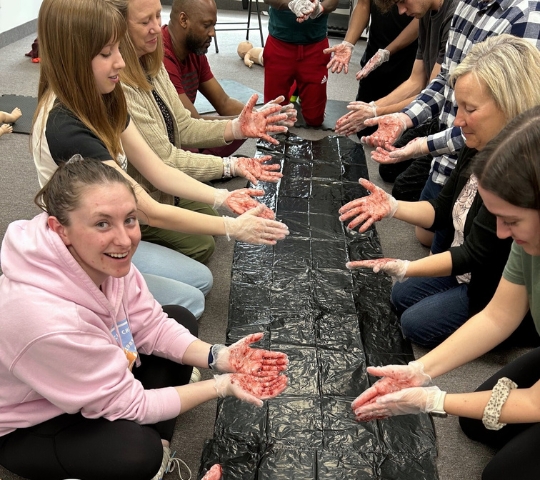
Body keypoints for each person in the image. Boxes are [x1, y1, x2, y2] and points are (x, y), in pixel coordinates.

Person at [0, 158, 288, 480]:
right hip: (27, 423)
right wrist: (222, 385)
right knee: (138, 453)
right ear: (59, 229)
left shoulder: (101, 259)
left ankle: (158, 447)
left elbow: (151, 324)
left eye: (130, 219)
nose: (124, 240)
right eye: (102, 224)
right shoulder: (46, 320)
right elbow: (133, 405)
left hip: (88, 376)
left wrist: (217, 356)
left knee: (179, 318)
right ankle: (144, 455)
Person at [31, 0, 290, 314]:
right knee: (191, 300)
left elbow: (157, 170)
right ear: (72, 56)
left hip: (113, 227)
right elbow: (148, 209)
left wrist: (223, 197)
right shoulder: (65, 127)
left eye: (117, 49)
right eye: (106, 53)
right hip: (82, 249)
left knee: (202, 280)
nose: (121, 63)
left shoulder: (103, 96)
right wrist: (231, 227)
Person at [351, 104, 540, 480]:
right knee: (477, 424)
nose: (502, 233)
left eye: (512, 220)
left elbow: (537, 401)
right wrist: (420, 371)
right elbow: (498, 315)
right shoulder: (526, 237)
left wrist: (435, 399)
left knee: (501, 475)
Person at [339, 35, 540, 348]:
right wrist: (392, 206)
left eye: (469, 109)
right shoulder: (477, 142)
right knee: (400, 295)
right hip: (467, 270)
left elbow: (473, 255)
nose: (458, 121)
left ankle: (523, 330)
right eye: (459, 107)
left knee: (415, 323)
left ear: (509, 104)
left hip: (488, 283)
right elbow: (442, 208)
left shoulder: (516, 172)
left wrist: (408, 267)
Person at [114, 0, 293, 263]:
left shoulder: (152, 59)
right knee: (203, 246)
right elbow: (166, 160)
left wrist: (238, 127)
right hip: (142, 194)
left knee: (211, 223)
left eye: (156, 17)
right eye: (144, 22)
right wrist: (231, 167)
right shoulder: (121, 84)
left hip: (163, 184)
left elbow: (184, 125)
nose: (155, 27)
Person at [360, 0, 540, 248]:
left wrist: (423, 145)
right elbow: (445, 79)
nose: (401, 11)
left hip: (486, 161)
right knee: (435, 233)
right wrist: (404, 118)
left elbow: (516, 114)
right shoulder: (465, 6)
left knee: (476, 249)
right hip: (453, 151)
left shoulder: (527, 14)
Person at [335, 0, 457, 204]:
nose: (400, 11)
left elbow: (434, 91)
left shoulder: (453, 17)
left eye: (401, 1)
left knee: (406, 192)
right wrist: (373, 108)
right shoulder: (426, 14)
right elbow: (416, 82)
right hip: (430, 105)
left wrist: (379, 112)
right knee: (388, 167)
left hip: (447, 119)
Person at [162, 0, 296, 157]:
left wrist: (262, 116)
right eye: (206, 26)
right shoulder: (162, 57)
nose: (212, 33)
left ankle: (204, 164)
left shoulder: (194, 49)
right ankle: (201, 167)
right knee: (237, 127)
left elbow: (223, 102)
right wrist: (249, 122)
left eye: (213, 26)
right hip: (169, 137)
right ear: (183, 20)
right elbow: (191, 125)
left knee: (243, 126)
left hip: (187, 132)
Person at [324, 0, 418, 136]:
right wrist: (348, 43)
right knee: (364, 127)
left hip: (411, 55)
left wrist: (387, 52)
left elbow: (420, 20)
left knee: (400, 131)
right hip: (375, 48)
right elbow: (363, 5)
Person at [263, 0, 339, 127]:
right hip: (279, 44)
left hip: (315, 46)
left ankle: (299, 84)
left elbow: (333, 2)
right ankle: (296, 84)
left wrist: (319, 9)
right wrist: (292, 4)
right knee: (273, 118)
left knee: (315, 120)